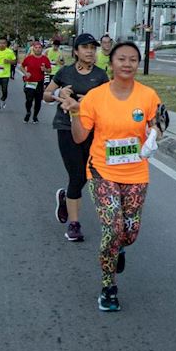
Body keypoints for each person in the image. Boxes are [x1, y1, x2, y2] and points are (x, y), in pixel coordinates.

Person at [59, 40, 164, 312]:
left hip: (136, 173)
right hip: (101, 171)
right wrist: (74, 112)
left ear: (137, 64)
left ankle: (119, 247)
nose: (127, 64)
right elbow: (80, 136)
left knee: (129, 233)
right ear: (112, 63)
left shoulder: (148, 96)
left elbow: (158, 123)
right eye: (122, 59)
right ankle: (108, 286)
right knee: (113, 229)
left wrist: (154, 136)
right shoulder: (96, 96)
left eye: (132, 60)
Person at [45, 33, 109, 244]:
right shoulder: (65, 72)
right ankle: (74, 225)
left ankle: (66, 197)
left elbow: (108, 103)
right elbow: (46, 95)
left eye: (93, 47)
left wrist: (90, 102)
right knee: (78, 174)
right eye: (85, 47)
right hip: (66, 127)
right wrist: (60, 93)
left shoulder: (101, 76)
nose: (90, 51)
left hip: (92, 130)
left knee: (89, 175)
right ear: (76, 51)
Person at [19, 41, 51, 124]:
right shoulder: (29, 58)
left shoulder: (45, 59)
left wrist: (45, 70)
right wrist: (26, 73)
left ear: (42, 49)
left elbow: (49, 70)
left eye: (39, 48)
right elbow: (21, 66)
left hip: (40, 82)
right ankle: (28, 112)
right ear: (33, 49)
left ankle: (35, 116)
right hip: (30, 82)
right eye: (36, 48)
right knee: (29, 100)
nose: (38, 49)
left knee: (38, 101)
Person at [0, 38, 18, 111]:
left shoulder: (10, 52)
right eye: (0, 43)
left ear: (6, 44)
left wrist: (9, 61)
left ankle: (3, 98)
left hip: (5, 74)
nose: (2, 44)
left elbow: (15, 62)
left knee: (4, 90)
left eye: (4, 43)